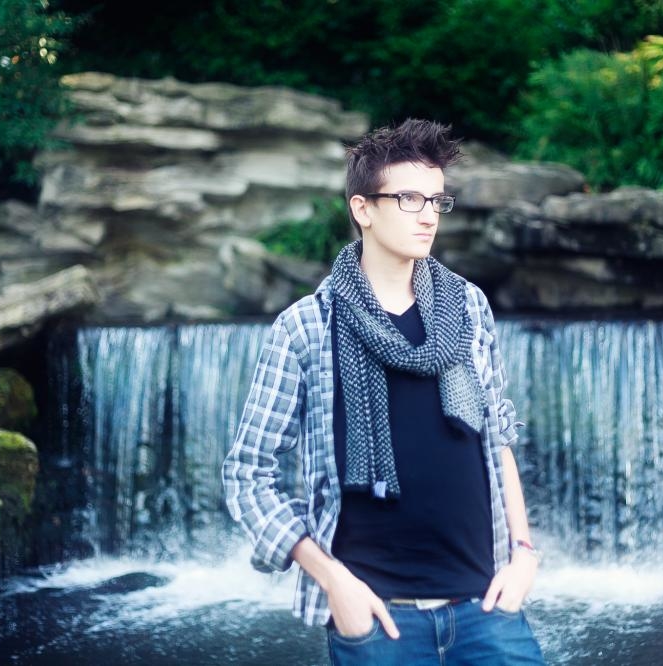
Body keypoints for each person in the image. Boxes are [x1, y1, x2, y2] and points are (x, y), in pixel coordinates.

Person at [222, 118, 544, 665]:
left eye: (436, 201)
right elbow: (247, 473)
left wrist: (524, 553)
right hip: (377, 620)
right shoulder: (307, 327)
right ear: (363, 209)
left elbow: (497, 433)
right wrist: (333, 581)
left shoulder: (468, 307)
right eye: (409, 199)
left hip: (487, 608)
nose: (428, 215)